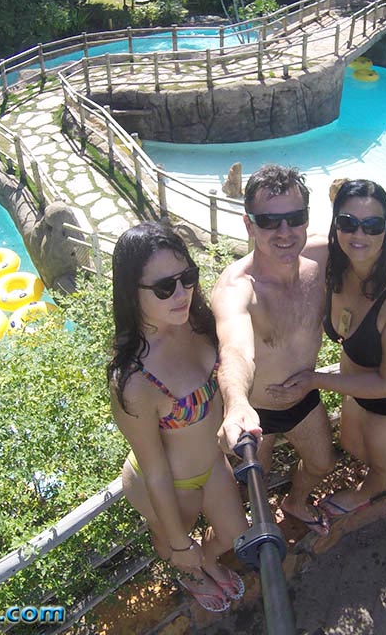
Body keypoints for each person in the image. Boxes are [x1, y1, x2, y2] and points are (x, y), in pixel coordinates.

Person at [213, 165, 386, 537]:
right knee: (254, 480)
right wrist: (236, 404)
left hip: (304, 397)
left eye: (294, 218)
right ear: (249, 225)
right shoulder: (238, 288)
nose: (284, 232)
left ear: (307, 221)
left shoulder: (321, 254)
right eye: (269, 221)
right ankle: (263, 522)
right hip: (257, 409)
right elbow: (235, 349)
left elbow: (369, 221)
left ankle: (295, 503)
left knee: (322, 464)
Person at [270, 180, 386, 516]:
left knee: (381, 462)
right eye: (348, 223)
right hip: (360, 390)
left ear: (385, 228)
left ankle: (370, 490)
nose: (359, 235)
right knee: (352, 445)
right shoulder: (336, 259)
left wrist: (315, 379)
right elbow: (270, 256)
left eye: (373, 226)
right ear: (336, 223)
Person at [108, 223, 247, 613]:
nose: (182, 293)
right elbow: (155, 471)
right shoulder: (134, 379)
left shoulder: (197, 322)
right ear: (131, 294)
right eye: (164, 288)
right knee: (172, 544)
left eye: (187, 278)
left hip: (213, 465)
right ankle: (190, 571)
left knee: (236, 535)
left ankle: (207, 559)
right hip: (168, 482)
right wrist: (182, 545)